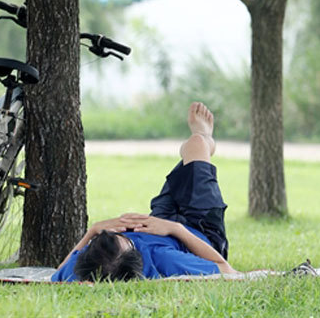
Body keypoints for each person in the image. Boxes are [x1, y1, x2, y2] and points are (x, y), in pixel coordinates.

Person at [51, 102, 238, 281]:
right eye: (126, 239)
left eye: (112, 234)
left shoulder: (88, 264)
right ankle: (204, 136)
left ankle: (194, 155)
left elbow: (57, 274)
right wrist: (175, 228)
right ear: (136, 256)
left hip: (157, 220)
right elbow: (225, 268)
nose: (123, 232)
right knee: (197, 144)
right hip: (199, 228)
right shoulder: (165, 259)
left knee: (191, 156)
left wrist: (92, 231)